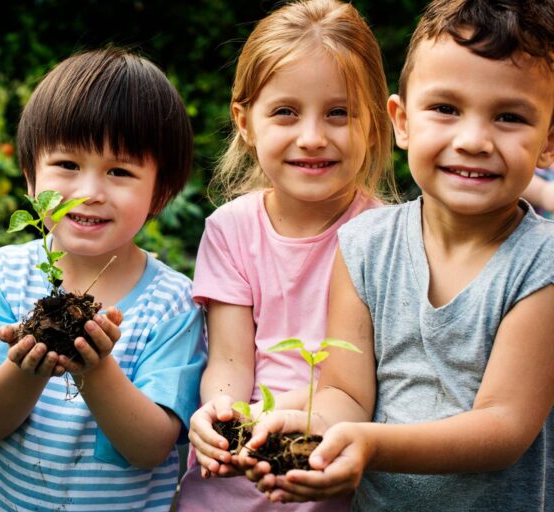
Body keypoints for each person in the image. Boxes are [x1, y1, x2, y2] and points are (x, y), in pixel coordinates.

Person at [242, 0, 554, 510]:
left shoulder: (541, 263)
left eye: (510, 117)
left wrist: (370, 445)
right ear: (402, 122)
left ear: (548, 142)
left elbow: (504, 426)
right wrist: (282, 423)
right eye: (446, 109)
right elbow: (347, 395)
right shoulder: (365, 245)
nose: (473, 140)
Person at [0, 48, 206, 512]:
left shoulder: (173, 303)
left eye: (119, 171)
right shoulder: (0, 277)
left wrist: (95, 367)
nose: (89, 193)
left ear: (161, 191)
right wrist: (26, 365)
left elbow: (151, 447)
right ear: (30, 177)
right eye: (67, 166)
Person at [175, 0, 396, 510]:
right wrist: (221, 413)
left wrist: (276, 420)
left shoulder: (385, 236)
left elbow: (354, 390)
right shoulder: (230, 229)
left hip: (327, 472)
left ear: (374, 122)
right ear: (245, 121)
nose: (312, 137)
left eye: (338, 113)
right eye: (286, 112)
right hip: (234, 475)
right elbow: (231, 359)